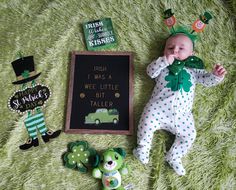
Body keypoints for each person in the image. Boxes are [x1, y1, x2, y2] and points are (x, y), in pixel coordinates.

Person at [133, 33, 226, 175]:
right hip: (157, 108)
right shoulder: (163, 66)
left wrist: (216, 76)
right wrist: (164, 61)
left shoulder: (194, 70)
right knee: (146, 122)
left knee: (190, 135)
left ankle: (174, 156)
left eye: (181, 48)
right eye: (170, 47)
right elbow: (150, 72)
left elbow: (206, 81)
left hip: (182, 115)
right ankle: (143, 148)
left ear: (191, 53)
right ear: (164, 51)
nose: (174, 50)